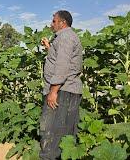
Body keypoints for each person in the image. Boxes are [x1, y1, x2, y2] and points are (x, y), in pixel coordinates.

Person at [39, 10, 83, 159]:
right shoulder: (66, 37)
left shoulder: (65, 38)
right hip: (67, 90)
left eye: (54, 21)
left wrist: (53, 92)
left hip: (62, 91)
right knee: (64, 133)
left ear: (62, 23)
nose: (51, 24)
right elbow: (60, 57)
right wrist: (48, 47)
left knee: (50, 132)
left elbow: (62, 67)